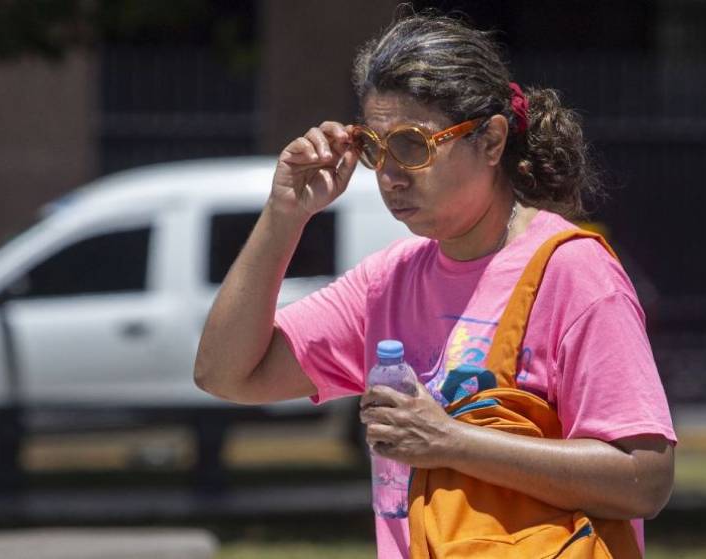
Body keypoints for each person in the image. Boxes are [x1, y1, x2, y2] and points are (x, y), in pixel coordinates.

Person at [194, 12, 677, 559]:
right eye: (375, 147)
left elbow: (646, 478)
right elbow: (225, 373)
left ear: (491, 141)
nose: (390, 174)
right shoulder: (390, 280)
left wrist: (451, 442)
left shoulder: (572, 273)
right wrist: (285, 215)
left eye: (412, 145)